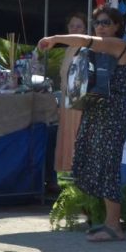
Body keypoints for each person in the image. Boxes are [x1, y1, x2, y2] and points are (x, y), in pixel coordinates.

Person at [38, 6, 126, 242]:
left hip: (112, 116)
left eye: (106, 22)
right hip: (94, 112)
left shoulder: (118, 46)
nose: (100, 26)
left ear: (116, 26)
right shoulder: (98, 51)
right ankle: (103, 220)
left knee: (107, 168)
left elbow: (86, 40)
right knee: (88, 163)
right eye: (97, 22)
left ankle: (114, 226)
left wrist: (55, 39)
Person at [54, 12, 87, 172]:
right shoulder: (69, 49)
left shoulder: (85, 48)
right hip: (67, 100)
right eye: (72, 26)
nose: (74, 29)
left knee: (77, 135)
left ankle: (80, 171)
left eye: (79, 26)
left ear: (85, 29)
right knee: (68, 135)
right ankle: (72, 172)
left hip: (79, 101)